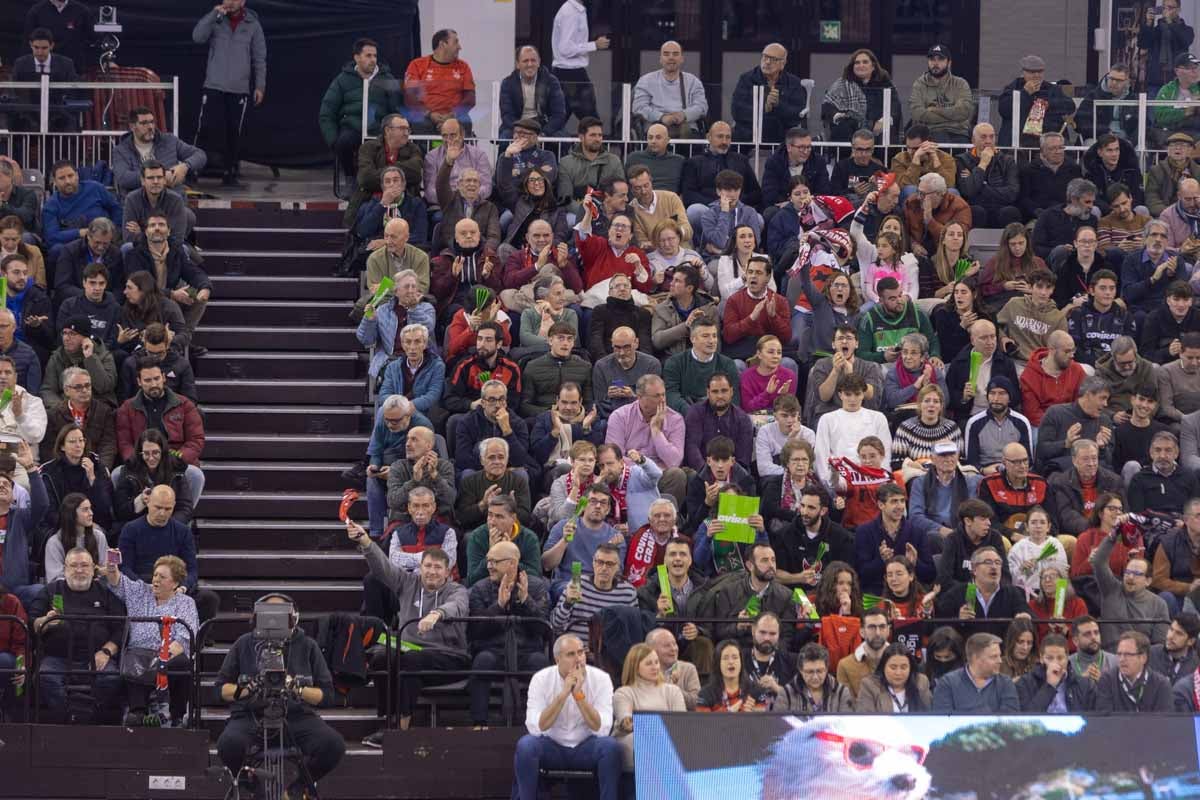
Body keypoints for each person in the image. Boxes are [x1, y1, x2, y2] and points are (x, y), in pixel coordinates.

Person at [347, 523, 468, 739]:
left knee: (410, 660)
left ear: (448, 572)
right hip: (409, 649)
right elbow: (382, 567)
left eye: (438, 567)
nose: (431, 571)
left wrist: (436, 614)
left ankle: (400, 731)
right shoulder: (408, 582)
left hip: (448, 655)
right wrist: (365, 541)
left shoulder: (457, 590)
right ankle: (388, 721)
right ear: (420, 567)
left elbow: (456, 606)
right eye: (428, 566)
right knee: (381, 656)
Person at [216, 595, 344, 794]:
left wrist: (296, 688)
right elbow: (221, 689)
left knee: (333, 745)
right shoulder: (243, 644)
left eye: (281, 614)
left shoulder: (308, 645)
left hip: (296, 716)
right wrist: (249, 688)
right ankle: (250, 787)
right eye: (268, 614)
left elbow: (327, 695)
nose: (274, 620)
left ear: (294, 618)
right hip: (251, 716)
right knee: (228, 744)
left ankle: (297, 790)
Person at [515, 632, 620, 799]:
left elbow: (601, 728)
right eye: (571, 654)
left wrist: (579, 696)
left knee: (610, 746)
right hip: (552, 746)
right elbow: (536, 727)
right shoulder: (541, 679)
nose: (578, 659)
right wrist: (564, 694)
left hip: (586, 747)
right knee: (526, 745)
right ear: (557, 660)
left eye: (581, 652)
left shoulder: (601, 679)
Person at [29, 548, 124, 723]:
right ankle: (67, 718)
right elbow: (32, 623)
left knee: (112, 678)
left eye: (84, 565)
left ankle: (90, 717)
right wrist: (45, 621)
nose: (79, 570)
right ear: (65, 569)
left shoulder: (106, 593)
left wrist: (106, 651)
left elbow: (121, 629)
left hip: (97, 657)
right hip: (57, 657)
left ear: (93, 568)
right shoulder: (50, 591)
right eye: (73, 565)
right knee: (44, 677)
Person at [105, 554, 198, 727]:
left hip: (168, 656)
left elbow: (185, 638)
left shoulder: (186, 603)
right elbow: (116, 581)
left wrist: (159, 661)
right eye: (155, 575)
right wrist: (112, 566)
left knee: (182, 663)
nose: (156, 580)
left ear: (175, 583)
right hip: (138, 653)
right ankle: (138, 713)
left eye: (162, 577)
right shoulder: (140, 591)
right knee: (134, 661)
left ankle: (176, 716)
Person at [466, 538, 550, 729]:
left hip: (526, 651)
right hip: (493, 650)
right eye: (489, 561)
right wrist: (499, 606)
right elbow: (475, 631)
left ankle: (539, 724)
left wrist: (525, 601)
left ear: (512, 563)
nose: (489, 566)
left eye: (495, 562)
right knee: (482, 661)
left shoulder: (536, 587)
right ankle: (479, 723)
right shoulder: (480, 589)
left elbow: (543, 629)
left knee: (541, 663)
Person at [191, 0, 267, 186]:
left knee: (234, 132)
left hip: (239, 88)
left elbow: (259, 58)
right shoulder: (216, 20)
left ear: (243, 2)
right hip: (214, 85)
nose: (230, 2)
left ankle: (229, 172)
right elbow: (197, 37)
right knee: (205, 129)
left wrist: (260, 86)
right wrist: (213, 15)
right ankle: (192, 169)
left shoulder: (253, 25)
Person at [116, 361, 205, 506]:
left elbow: (196, 440)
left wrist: (178, 458)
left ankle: (184, 517)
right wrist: (137, 459)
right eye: (148, 380)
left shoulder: (184, 404)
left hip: (175, 462)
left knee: (196, 475)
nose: (153, 384)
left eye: (157, 378)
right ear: (139, 381)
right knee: (116, 475)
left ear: (164, 377)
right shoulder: (127, 408)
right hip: (143, 461)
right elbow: (124, 442)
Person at [612, 643, 686, 781]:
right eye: (649, 663)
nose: (655, 667)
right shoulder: (624, 693)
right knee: (646, 742)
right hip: (635, 743)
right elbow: (626, 723)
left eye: (657, 662)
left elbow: (681, 724)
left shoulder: (672, 691)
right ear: (635, 666)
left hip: (667, 743)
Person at [1090, 521, 1170, 649]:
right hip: (1110, 656)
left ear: (1148, 581)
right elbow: (1099, 562)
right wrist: (1114, 534)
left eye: (1137, 574)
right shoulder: (1111, 589)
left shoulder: (1159, 604)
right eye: (1128, 572)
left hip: (1140, 659)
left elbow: (1159, 645)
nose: (1130, 577)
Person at [813, 372, 892, 488]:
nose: (852, 399)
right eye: (848, 394)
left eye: (857, 394)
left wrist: (881, 479)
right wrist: (830, 485)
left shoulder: (878, 418)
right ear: (840, 394)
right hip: (841, 480)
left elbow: (886, 452)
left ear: (863, 394)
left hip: (873, 478)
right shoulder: (827, 419)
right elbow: (821, 455)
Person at [346, 115, 425, 228]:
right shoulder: (368, 148)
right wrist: (397, 176)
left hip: (404, 204)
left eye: (408, 129)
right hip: (371, 202)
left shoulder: (413, 149)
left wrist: (383, 172)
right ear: (388, 130)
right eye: (402, 128)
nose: (407, 133)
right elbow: (365, 179)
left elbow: (416, 174)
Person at [112, 106, 207, 199]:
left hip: (172, 201)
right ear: (132, 127)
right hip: (139, 205)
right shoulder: (121, 150)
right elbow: (124, 178)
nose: (150, 127)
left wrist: (185, 166)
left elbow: (200, 155)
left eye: (152, 122)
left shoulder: (169, 141)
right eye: (144, 123)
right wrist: (163, 176)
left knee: (189, 214)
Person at [682, 122, 762, 232]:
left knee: (759, 220)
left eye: (728, 137)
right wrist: (718, 204)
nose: (724, 141)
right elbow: (688, 195)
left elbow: (756, 193)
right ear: (709, 137)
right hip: (709, 210)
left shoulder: (741, 160)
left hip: (736, 211)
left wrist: (734, 202)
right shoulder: (694, 162)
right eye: (720, 137)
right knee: (694, 211)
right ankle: (705, 245)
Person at [550, 540, 636, 641]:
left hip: (609, 653)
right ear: (593, 563)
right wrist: (567, 603)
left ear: (618, 567)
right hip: (577, 650)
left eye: (610, 564)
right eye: (600, 562)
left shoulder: (628, 593)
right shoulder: (577, 584)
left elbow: (633, 633)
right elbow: (555, 627)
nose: (604, 568)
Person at [112, 429, 193, 536]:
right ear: (140, 453)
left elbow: (185, 508)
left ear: (162, 451)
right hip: (138, 526)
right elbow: (120, 510)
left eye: (155, 453)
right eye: (146, 453)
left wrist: (167, 525)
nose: (151, 458)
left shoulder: (175, 468)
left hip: (169, 524)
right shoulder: (129, 468)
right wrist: (139, 501)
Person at [40, 422, 114, 535]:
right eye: (72, 441)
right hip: (61, 526)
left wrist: (92, 479)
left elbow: (105, 507)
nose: (78, 445)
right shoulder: (49, 471)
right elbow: (50, 512)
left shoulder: (97, 466)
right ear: (62, 446)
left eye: (81, 440)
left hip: (93, 524)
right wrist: (74, 525)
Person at [946, 320, 1023, 424]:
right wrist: (963, 397)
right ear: (973, 340)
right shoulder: (959, 362)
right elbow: (948, 397)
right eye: (984, 338)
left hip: (999, 415)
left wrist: (1003, 396)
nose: (990, 342)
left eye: (993, 336)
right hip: (968, 416)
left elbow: (1016, 397)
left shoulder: (1005, 363)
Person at [1036, 379, 1116, 477]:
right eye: (1102, 398)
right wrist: (1066, 443)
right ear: (1088, 395)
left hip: (1094, 476)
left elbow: (1109, 462)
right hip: (1061, 476)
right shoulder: (1056, 413)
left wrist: (1102, 448)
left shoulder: (1104, 421)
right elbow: (1042, 451)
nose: (1105, 404)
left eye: (1107, 399)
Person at [731, 43, 808, 143]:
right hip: (749, 139)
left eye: (773, 59)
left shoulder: (794, 83)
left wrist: (778, 106)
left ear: (783, 64)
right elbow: (737, 111)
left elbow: (797, 114)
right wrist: (764, 109)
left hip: (782, 142)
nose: (767, 62)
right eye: (765, 57)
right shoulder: (746, 79)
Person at [403, 28, 474, 135]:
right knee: (420, 123)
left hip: (454, 116)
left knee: (465, 122)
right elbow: (410, 97)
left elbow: (470, 98)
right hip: (425, 116)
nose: (460, 47)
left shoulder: (463, 67)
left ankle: (458, 152)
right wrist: (429, 114)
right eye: (456, 42)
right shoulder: (417, 65)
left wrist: (452, 115)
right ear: (442, 44)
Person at [821, 49, 901, 142]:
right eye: (857, 63)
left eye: (865, 62)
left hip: (877, 131)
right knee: (841, 129)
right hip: (849, 133)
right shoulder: (842, 84)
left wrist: (884, 121)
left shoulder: (886, 84)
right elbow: (827, 106)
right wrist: (838, 116)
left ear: (873, 66)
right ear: (852, 66)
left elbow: (895, 107)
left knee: (887, 133)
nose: (861, 65)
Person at [996, 54, 1074, 148]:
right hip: (1018, 141)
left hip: (1047, 142)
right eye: (1032, 72)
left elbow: (1070, 106)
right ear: (1023, 72)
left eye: (1040, 72)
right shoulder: (1013, 88)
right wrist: (1025, 93)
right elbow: (1004, 110)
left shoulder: (1052, 89)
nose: (1036, 75)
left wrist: (1049, 104)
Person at [631, 41, 707, 138]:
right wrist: (661, 117)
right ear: (660, 59)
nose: (671, 57)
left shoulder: (694, 81)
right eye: (666, 54)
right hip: (655, 129)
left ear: (682, 59)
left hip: (687, 131)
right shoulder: (646, 80)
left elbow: (702, 107)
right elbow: (639, 107)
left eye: (675, 54)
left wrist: (684, 115)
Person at [931, 631, 1020, 712]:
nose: (1000, 661)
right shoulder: (948, 684)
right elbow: (944, 720)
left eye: (1000, 655)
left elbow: (1010, 721)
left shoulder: (1005, 683)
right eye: (994, 657)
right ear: (975, 658)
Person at [550, 0, 608, 124]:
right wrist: (594, 45)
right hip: (570, 73)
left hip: (568, 72)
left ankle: (547, 141)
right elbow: (565, 48)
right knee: (591, 122)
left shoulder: (576, 10)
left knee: (558, 121)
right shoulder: (570, 12)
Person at [11, 27, 79, 133]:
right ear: (30, 45)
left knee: (70, 122)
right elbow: (13, 90)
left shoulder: (66, 64)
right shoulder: (20, 64)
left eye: (44, 48)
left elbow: (73, 91)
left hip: (58, 112)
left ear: (51, 46)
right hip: (27, 113)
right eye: (36, 47)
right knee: (14, 121)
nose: (40, 52)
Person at [955, 123, 1022, 228]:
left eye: (992, 136)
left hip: (1001, 206)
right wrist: (983, 164)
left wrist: (982, 185)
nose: (988, 141)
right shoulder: (962, 160)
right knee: (976, 211)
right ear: (973, 140)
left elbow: (1011, 193)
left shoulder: (1007, 160)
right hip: (976, 206)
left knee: (1010, 212)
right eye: (983, 137)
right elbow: (968, 191)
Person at [683, 373, 753, 472]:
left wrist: (724, 475)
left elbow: (743, 457)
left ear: (731, 391)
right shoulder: (695, 413)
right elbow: (692, 448)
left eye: (724, 391)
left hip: (732, 473)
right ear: (708, 393)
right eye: (715, 392)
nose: (720, 396)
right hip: (700, 471)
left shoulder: (743, 418)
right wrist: (707, 473)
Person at [521, 324, 592, 418]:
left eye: (569, 339)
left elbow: (589, 403)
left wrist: (577, 414)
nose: (565, 343)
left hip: (575, 418)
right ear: (550, 340)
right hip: (544, 418)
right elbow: (525, 405)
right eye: (561, 338)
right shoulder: (532, 366)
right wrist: (550, 414)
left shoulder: (585, 367)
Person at [909, 44, 975, 144]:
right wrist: (951, 115)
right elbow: (917, 114)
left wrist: (934, 110)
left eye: (940, 59)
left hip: (958, 133)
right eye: (932, 59)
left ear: (949, 63)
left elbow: (964, 111)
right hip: (930, 133)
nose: (935, 63)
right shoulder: (919, 84)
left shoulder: (960, 83)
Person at [1069, 269, 1136, 367]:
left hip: (1118, 367)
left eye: (1112, 288)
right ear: (1092, 291)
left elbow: (1130, 348)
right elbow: (1074, 347)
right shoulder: (1078, 314)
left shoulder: (1125, 316)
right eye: (1103, 288)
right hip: (1087, 367)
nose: (1108, 292)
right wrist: (1095, 364)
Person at [1094, 630, 1174, 711]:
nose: (1121, 659)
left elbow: (1164, 721)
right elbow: (1105, 720)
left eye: (1128, 654)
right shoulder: (1107, 681)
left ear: (1143, 658)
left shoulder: (1161, 685)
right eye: (1119, 654)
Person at [981, 222, 1050, 314]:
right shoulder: (995, 262)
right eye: (1013, 244)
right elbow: (982, 290)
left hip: (1030, 305)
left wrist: (1032, 290)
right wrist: (1003, 286)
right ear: (1006, 245)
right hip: (1002, 305)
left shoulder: (1038, 262)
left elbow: (1049, 288)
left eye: (1021, 243)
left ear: (1027, 242)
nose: (1017, 248)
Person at [1016, 633, 1096, 712]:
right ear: (1041, 658)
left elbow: (1094, 719)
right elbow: (1027, 720)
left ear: (1068, 657)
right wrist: (1049, 686)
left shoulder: (1085, 685)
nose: (1055, 663)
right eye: (1050, 658)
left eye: (1060, 658)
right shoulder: (1025, 683)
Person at [499, 49, 568, 141]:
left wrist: (544, 133)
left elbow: (559, 114)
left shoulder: (551, 81)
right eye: (525, 61)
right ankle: (505, 156)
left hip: (543, 126)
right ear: (518, 64)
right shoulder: (508, 83)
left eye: (533, 60)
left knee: (562, 138)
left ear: (539, 62)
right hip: (517, 125)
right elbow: (507, 114)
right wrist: (521, 131)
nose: (530, 64)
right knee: (505, 137)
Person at [53, 218, 121, 310]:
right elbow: (62, 286)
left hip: (105, 307)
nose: (101, 247)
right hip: (76, 305)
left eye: (105, 244)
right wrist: (89, 296)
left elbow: (119, 287)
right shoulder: (70, 251)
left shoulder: (115, 254)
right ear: (88, 236)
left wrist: (106, 300)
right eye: (97, 242)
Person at [556, 118, 624, 208]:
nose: (597, 139)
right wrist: (586, 213)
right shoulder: (566, 163)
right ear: (581, 137)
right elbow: (566, 198)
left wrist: (604, 212)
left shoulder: (614, 161)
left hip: (608, 212)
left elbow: (621, 193)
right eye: (592, 135)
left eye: (600, 135)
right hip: (577, 214)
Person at [1128, 431, 1200, 516]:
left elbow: (1196, 513)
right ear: (1151, 453)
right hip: (1150, 527)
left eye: (1168, 450)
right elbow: (1137, 514)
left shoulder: (1189, 477)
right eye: (1158, 450)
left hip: (1182, 526)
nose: (1162, 455)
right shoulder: (1139, 479)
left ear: (1176, 453)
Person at [903, 172, 971, 258]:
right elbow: (903, 231)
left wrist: (930, 221)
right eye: (918, 192)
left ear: (939, 194)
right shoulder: (912, 203)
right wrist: (913, 244)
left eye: (923, 194)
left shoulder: (960, 207)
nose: (919, 197)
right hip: (916, 256)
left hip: (946, 256)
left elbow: (957, 240)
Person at [1019, 133, 1083, 222]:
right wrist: (1038, 212)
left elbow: (1079, 195)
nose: (1058, 152)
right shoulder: (1029, 170)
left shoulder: (1074, 168)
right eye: (1052, 148)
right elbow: (1024, 199)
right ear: (1042, 150)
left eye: (1061, 148)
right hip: (1039, 216)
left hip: (1068, 214)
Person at [1151, 500, 1200, 615]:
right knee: (1165, 597)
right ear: (1186, 520)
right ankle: (1177, 630)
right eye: (1198, 516)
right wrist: (1188, 587)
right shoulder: (1169, 542)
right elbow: (1158, 580)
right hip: (1178, 597)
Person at [762, 128, 832, 208]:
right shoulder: (774, 162)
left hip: (811, 207)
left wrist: (801, 203)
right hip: (783, 209)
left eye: (808, 147)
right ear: (789, 147)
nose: (806, 151)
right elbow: (769, 194)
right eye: (801, 147)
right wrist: (792, 205)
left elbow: (824, 191)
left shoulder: (818, 161)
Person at [856, 643, 933, 713]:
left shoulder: (921, 682)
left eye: (903, 667)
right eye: (893, 667)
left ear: (910, 668)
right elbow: (865, 720)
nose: (898, 673)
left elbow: (929, 714)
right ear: (883, 668)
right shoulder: (870, 685)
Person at [1139, 0, 1195, 95]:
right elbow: (1143, 44)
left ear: (1178, 10)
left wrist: (1169, 22)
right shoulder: (1157, 29)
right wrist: (1148, 23)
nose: (1167, 10)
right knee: (1154, 109)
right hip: (1156, 79)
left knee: (1176, 109)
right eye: (1164, 7)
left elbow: (1185, 41)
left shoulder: (1187, 29)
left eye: (1170, 8)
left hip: (1178, 79)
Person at [834, 607, 890, 699]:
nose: (878, 633)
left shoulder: (902, 661)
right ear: (862, 632)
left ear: (888, 630)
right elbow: (846, 706)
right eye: (872, 627)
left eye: (882, 627)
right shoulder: (845, 665)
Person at [1082, 134, 1145, 214]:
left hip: (1128, 211)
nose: (1114, 154)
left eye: (1117, 150)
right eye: (1109, 150)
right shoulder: (1092, 172)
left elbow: (1138, 196)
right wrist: (1111, 210)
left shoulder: (1131, 170)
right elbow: (1093, 198)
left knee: (1142, 209)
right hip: (1105, 212)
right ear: (1100, 153)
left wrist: (1126, 208)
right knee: (1094, 210)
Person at [696, 639, 765, 713]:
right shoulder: (705, 694)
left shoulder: (756, 691)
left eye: (735, 657)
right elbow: (704, 723)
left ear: (741, 662)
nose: (731, 662)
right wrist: (729, 712)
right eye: (725, 658)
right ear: (718, 664)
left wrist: (753, 714)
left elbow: (765, 721)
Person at [1141, 282, 1200, 366]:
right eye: (1176, 299)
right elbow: (1145, 354)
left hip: (1195, 364)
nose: (1181, 305)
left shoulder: (1198, 317)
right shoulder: (1154, 318)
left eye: (1186, 300)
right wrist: (1167, 352)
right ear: (1168, 300)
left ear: (1191, 301)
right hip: (1164, 367)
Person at [645, 628, 701, 710]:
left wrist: (673, 689)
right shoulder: (643, 670)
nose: (673, 649)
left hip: (680, 720)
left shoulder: (688, 669)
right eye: (667, 646)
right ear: (651, 649)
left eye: (674, 644)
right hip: (652, 720)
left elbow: (696, 703)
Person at [1147, 133, 1200, 217]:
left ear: (1190, 150)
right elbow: (1152, 200)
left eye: (1182, 145)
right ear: (1168, 149)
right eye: (1173, 145)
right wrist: (1171, 215)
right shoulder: (1156, 171)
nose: (1177, 148)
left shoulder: (1197, 171)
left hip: (1193, 214)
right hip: (1166, 215)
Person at [1156, 332, 1200, 422]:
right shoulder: (1166, 371)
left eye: (1199, 358)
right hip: (1177, 421)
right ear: (1180, 353)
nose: (1194, 363)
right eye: (1190, 358)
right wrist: (1189, 421)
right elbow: (1167, 407)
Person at [1149, 611, 1200, 682]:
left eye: (1179, 633)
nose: (1170, 636)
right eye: (1171, 629)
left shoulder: (1196, 666)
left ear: (1190, 641)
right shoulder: (1151, 653)